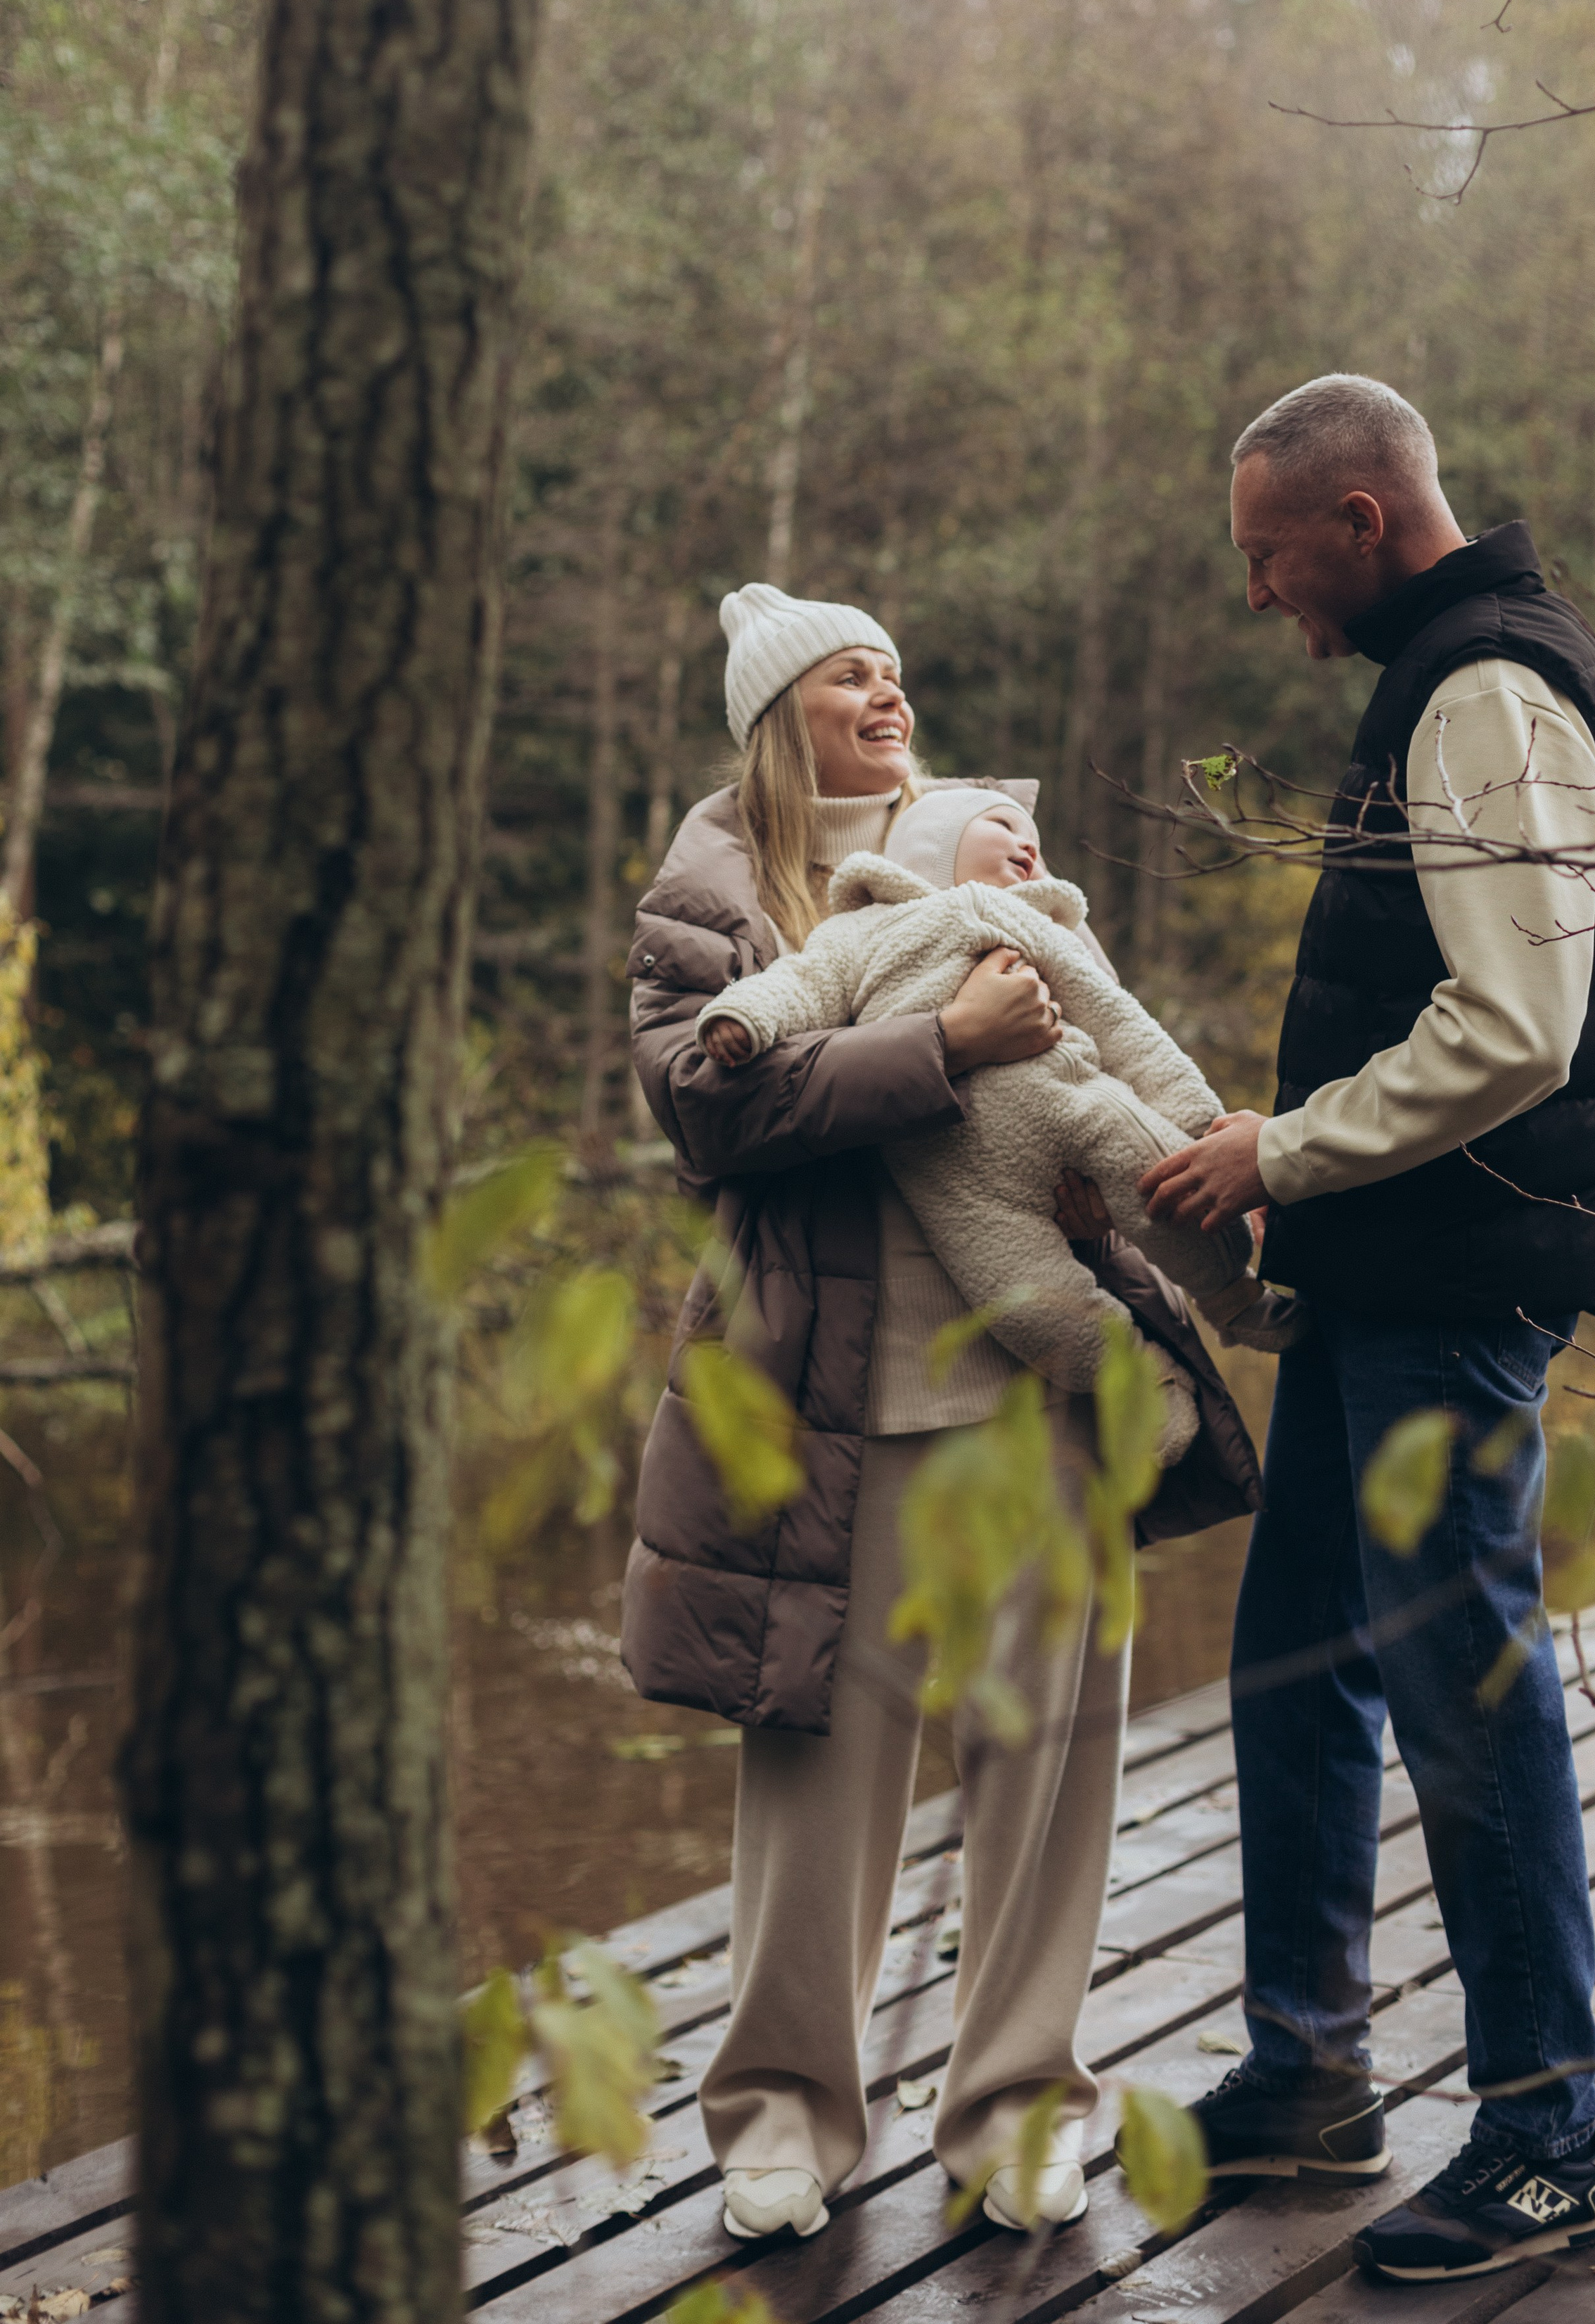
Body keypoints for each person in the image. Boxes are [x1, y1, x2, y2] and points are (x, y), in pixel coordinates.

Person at [621, 582, 1263, 2246]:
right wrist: (937, 1037)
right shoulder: (707, 891)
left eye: (898, 668)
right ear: (784, 716)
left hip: (1042, 1386)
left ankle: (1014, 2107)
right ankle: (781, 2115)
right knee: (816, 1780)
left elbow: (1092, 1056)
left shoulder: (992, 845)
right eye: (852, 674)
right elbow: (710, 1112)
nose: (888, 694)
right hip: (826, 1403)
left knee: (1048, 1762)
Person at [1142, 377, 1595, 2280]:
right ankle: (1310, 2073)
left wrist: (1282, 1148)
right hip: (1385, 1273)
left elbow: (1514, 1031)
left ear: (1360, 519)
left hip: (1458, 1283)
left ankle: (1545, 2137)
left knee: (1467, 1697)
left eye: (1271, 556)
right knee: (1295, 1665)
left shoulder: (1489, 693)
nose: (1265, 594)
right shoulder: (1439, 676)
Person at [697, 784, 1302, 1375]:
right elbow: (802, 983)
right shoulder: (856, 933)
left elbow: (1121, 1024)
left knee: (1157, 1176)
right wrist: (746, 1016)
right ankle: (1141, 1384)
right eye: (1005, 826)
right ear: (935, 846)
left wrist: (1203, 1128)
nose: (1028, 843)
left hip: (1074, 1100)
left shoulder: (1026, 921)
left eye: (1033, 836)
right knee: (1022, 1302)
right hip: (947, 1171)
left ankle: (1231, 1297)